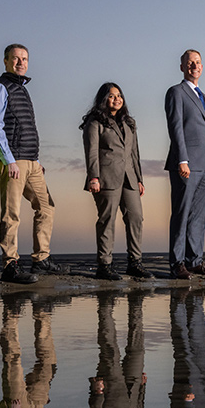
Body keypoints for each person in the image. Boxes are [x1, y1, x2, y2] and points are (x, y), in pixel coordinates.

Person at [0, 44, 65, 285]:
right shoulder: (0, 87)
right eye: (16, 58)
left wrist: (37, 160)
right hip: (12, 161)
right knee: (11, 213)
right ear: (5, 61)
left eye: (25, 59)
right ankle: (10, 265)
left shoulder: (22, 89)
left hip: (31, 161)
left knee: (46, 206)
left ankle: (41, 260)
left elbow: (26, 126)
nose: (21, 63)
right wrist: (8, 159)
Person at [80, 83, 153, 280]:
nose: (117, 99)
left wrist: (139, 179)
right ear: (104, 99)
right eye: (112, 96)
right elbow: (92, 152)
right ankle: (105, 265)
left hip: (130, 177)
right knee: (107, 220)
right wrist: (93, 177)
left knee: (136, 217)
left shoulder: (129, 123)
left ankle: (135, 262)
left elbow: (135, 154)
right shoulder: (95, 123)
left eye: (119, 95)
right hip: (106, 178)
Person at [164, 49, 205, 279]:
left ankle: (195, 260)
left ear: (202, 67)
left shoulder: (203, 96)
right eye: (189, 63)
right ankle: (177, 263)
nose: (194, 66)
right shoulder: (176, 92)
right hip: (185, 164)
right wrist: (182, 159)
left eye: (197, 62)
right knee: (181, 214)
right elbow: (175, 127)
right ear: (182, 67)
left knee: (198, 215)